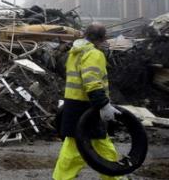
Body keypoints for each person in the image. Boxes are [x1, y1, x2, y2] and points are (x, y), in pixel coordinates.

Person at [52, 23, 124, 180]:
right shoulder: (93, 54)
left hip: (73, 105)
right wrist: (103, 105)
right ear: (102, 38)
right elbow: (91, 82)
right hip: (87, 107)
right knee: (100, 150)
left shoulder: (75, 52)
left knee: (76, 150)